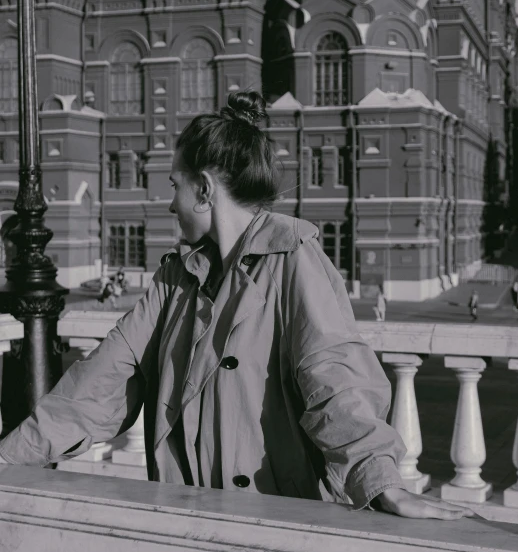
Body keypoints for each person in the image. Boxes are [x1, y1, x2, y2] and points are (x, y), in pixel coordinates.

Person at [0, 91, 471, 521]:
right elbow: (99, 383)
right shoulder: (175, 277)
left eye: (174, 186)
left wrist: (382, 482)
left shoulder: (293, 256)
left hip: (279, 522)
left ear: (204, 190)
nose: (169, 204)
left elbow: (336, 376)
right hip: (189, 519)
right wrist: (9, 456)